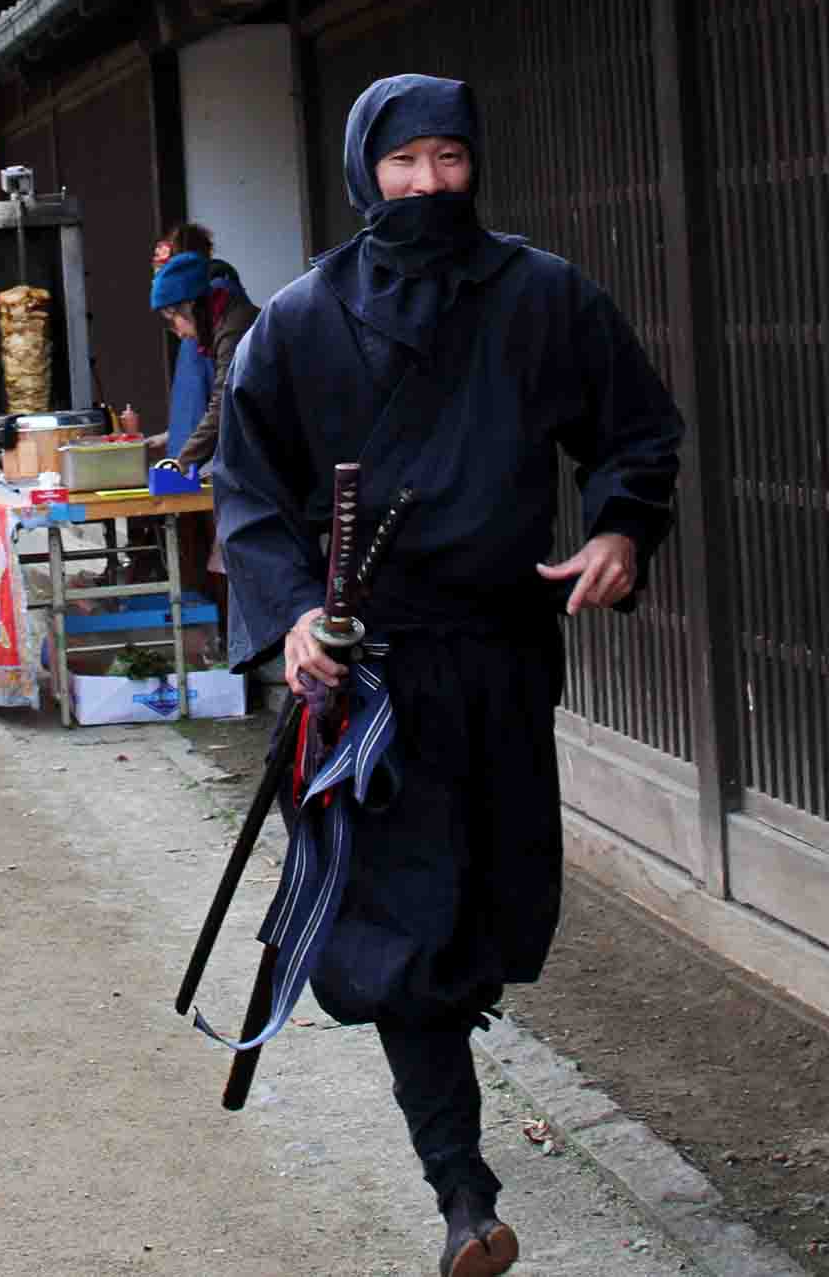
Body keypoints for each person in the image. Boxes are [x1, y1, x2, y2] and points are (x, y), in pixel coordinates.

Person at [212, 74, 683, 1277]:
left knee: (491, 907)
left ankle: (460, 1150)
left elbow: (636, 430)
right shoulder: (304, 320)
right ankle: (464, 1198)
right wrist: (295, 619)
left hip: (504, 659)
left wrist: (622, 529)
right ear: (365, 168)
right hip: (372, 679)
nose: (428, 184)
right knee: (401, 927)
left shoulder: (544, 298)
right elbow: (252, 496)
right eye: (405, 162)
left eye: (450, 159)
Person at [150, 233, 259, 471]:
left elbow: (223, 403)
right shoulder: (224, 322)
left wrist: (181, 463)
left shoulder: (234, 329)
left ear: (189, 307)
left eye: (172, 321)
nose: (177, 333)